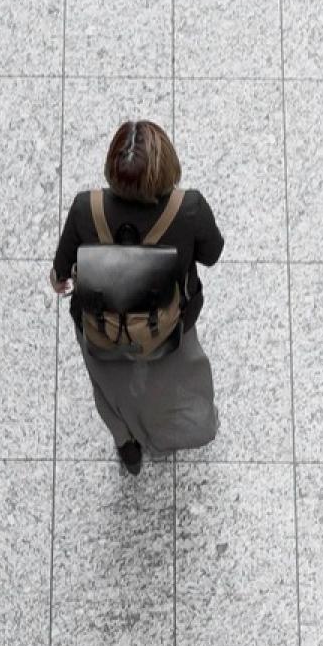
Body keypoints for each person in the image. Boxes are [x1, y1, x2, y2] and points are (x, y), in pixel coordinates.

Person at [51, 120, 224, 474]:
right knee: (176, 379)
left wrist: (59, 280)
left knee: (109, 388)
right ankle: (169, 429)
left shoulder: (87, 208)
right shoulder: (188, 208)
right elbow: (212, 253)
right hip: (170, 325)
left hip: (101, 326)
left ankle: (124, 440)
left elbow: (62, 271)